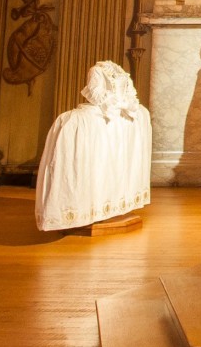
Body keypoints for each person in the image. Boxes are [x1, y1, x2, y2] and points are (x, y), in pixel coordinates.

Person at [35, 62, 152, 231]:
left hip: (116, 116)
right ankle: (82, 206)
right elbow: (97, 94)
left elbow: (127, 97)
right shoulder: (98, 71)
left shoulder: (121, 76)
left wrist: (122, 105)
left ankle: (110, 203)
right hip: (105, 112)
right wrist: (114, 104)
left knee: (110, 161)